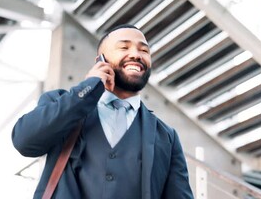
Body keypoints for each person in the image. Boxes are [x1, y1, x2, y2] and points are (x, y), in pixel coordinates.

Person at [12, 24, 194, 199]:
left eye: (144, 51)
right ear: (101, 59)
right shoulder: (61, 103)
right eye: (124, 47)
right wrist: (88, 88)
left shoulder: (166, 137)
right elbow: (24, 141)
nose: (136, 55)